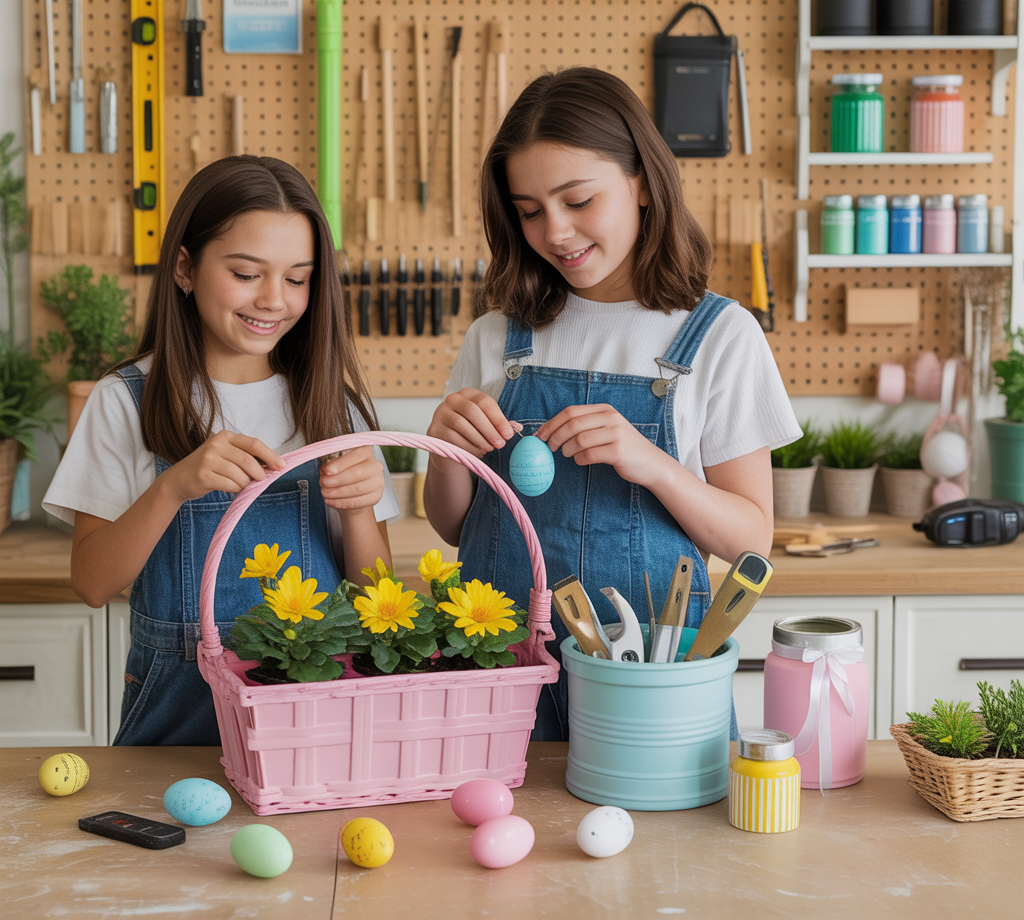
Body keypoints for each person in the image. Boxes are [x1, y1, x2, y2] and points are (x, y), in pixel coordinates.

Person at [424, 67, 801, 740]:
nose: (556, 232)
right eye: (530, 210)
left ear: (643, 184)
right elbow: (455, 526)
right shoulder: (497, 337)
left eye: (578, 200)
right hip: (498, 662)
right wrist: (448, 451)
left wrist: (653, 463)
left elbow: (750, 543)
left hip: (650, 671)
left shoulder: (720, 335)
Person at [43, 156, 398, 746]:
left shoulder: (335, 410)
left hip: (309, 723)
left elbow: (376, 606)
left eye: (296, 277)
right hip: (176, 719)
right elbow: (91, 582)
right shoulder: (126, 400)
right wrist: (174, 485)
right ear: (184, 267)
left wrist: (359, 510)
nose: (273, 300)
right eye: (246, 272)